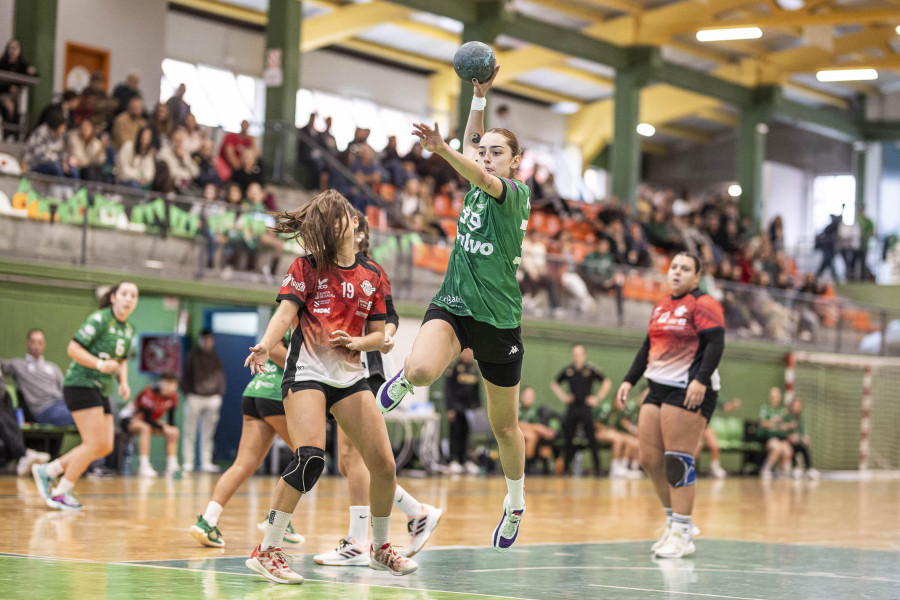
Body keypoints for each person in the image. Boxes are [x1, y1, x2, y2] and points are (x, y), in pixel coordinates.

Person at [376, 64, 532, 553]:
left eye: (496, 153)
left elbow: (470, 162)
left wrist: (443, 150)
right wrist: (478, 97)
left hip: (499, 319)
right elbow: (471, 150)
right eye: (483, 151)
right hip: (454, 302)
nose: (486, 157)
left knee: (505, 426)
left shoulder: (513, 194)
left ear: (515, 162)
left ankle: (515, 502)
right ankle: (403, 379)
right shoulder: (476, 180)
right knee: (420, 369)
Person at [244, 189, 417, 583]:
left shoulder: (373, 275)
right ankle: (267, 549)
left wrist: (362, 342)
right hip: (306, 373)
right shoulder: (306, 267)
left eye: (341, 217)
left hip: (350, 377)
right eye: (328, 220)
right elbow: (285, 313)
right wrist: (266, 345)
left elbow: (379, 334)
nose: (336, 225)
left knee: (385, 466)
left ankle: (380, 547)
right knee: (311, 459)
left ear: (354, 223)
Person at [313, 210, 442, 565]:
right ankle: (416, 513)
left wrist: (379, 339)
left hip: (363, 372)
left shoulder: (369, 271)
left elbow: (391, 319)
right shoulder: (330, 270)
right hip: (339, 372)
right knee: (351, 463)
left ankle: (358, 541)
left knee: (356, 459)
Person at [616, 252, 725, 559]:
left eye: (685, 268)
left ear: (696, 276)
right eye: (674, 266)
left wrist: (700, 380)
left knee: (678, 459)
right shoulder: (662, 305)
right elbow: (648, 346)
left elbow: (715, 343)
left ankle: (683, 529)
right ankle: (673, 522)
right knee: (650, 459)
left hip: (688, 389)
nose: (677, 272)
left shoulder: (704, 303)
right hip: (657, 386)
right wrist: (629, 379)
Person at [190, 330, 304, 548]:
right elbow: (275, 350)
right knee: (307, 458)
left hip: (256, 391)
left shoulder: (289, 314)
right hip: (276, 393)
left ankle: (208, 521)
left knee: (243, 464)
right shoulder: (303, 313)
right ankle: (276, 519)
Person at [32, 282, 139, 510]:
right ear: (113, 298)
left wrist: (124, 382)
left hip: (101, 389)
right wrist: (99, 364)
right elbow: (73, 349)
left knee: (105, 446)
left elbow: (120, 361)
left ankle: (48, 470)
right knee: (92, 444)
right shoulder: (100, 319)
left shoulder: (129, 329)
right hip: (81, 384)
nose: (129, 299)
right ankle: (61, 492)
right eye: (124, 294)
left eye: (133, 295)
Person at [552, 344, 610, 477]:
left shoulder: (590, 369)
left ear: (584, 355)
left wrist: (597, 398)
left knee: (591, 438)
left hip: (586, 407)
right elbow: (555, 383)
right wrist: (564, 397)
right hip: (573, 407)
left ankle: (597, 468)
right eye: (575, 354)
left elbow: (606, 382)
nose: (577, 357)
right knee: (568, 438)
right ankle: (566, 468)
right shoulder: (569, 370)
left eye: (579, 354)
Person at [1, 329, 74, 426]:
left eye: (40, 342)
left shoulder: (53, 367)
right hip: (44, 409)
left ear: (44, 345)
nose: (36, 346)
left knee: (90, 412)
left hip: (62, 406)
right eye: (33, 342)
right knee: (83, 417)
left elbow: (65, 390)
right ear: (27, 344)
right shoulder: (18, 365)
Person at [180, 329, 226, 473]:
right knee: (190, 431)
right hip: (195, 397)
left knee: (208, 433)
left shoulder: (216, 358)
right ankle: (188, 462)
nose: (207, 342)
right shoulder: (192, 357)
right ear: (200, 340)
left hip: (212, 398)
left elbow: (220, 377)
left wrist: (219, 394)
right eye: (204, 339)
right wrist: (188, 393)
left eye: (209, 339)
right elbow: (184, 377)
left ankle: (206, 461)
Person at [120, 372, 180, 478]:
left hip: (151, 421)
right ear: (161, 382)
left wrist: (168, 428)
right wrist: (163, 427)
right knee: (145, 428)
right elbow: (147, 419)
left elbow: (171, 420)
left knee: (174, 431)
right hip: (129, 419)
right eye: (167, 383)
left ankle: (172, 466)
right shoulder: (149, 393)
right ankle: (144, 466)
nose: (170, 387)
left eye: (173, 384)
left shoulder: (173, 396)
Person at [443, 348, 482, 474]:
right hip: (456, 407)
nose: (468, 355)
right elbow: (448, 389)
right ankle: (454, 460)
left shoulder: (474, 369)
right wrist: (450, 408)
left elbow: (477, 389)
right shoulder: (454, 367)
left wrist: (478, 407)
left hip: (469, 409)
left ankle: (465, 460)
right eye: (466, 352)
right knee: (455, 434)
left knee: (467, 435)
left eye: (470, 352)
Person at [695, 397, 741, 480]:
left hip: (706, 424)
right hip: (694, 424)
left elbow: (723, 406)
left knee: (714, 445)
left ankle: (715, 468)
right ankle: (688, 468)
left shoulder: (713, 392)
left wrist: (732, 405)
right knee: (697, 447)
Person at [517, 386, 556, 474]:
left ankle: (534, 464)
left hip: (530, 433)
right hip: (515, 432)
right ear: (521, 396)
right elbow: (517, 424)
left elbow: (532, 425)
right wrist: (541, 429)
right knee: (534, 434)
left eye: (530, 396)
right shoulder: (517, 406)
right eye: (526, 396)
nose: (528, 398)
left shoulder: (534, 408)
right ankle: (528, 464)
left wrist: (538, 429)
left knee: (536, 436)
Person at [758, 387, 793, 480]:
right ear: (770, 397)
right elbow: (762, 423)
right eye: (773, 396)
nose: (775, 398)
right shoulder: (765, 408)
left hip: (780, 437)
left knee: (787, 450)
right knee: (776, 448)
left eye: (777, 396)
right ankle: (766, 469)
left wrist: (787, 426)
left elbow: (784, 426)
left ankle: (779, 470)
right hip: (767, 437)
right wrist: (774, 421)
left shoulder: (782, 411)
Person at [785, 396, 819, 480]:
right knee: (792, 446)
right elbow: (785, 432)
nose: (797, 407)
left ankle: (809, 469)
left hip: (797, 441)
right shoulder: (787, 416)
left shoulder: (800, 417)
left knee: (803, 447)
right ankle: (793, 468)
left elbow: (802, 433)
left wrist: (804, 438)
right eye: (795, 405)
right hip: (787, 442)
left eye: (799, 405)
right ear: (792, 406)